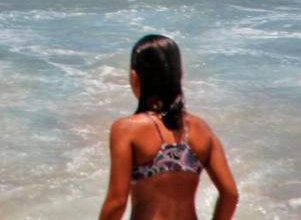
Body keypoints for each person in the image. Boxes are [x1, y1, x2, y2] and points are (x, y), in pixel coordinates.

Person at [99, 35, 239, 220]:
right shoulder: (201, 130)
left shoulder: (127, 129)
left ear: (134, 77)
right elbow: (230, 194)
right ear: (180, 74)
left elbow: (117, 202)